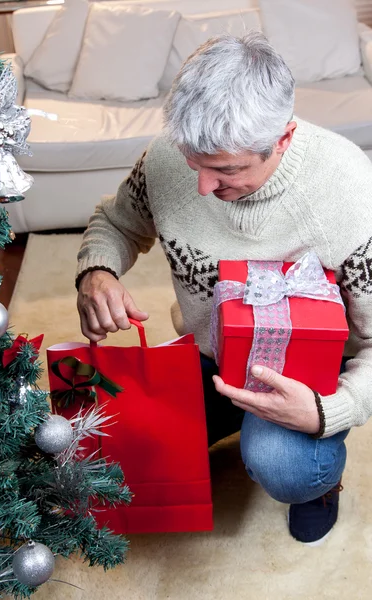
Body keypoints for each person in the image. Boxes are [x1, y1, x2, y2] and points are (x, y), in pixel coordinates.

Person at [75, 32, 372, 545]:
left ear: (283, 138)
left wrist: (327, 411)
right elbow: (118, 223)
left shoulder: (348, 193)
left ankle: (319, 484)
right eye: (195, 164)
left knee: (281, 465)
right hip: (207, 354)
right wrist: (96, 272)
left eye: (226, 170)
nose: (203, 189)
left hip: (301, 380)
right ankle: (224, 418)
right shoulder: (169, 156)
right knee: (120, 440)